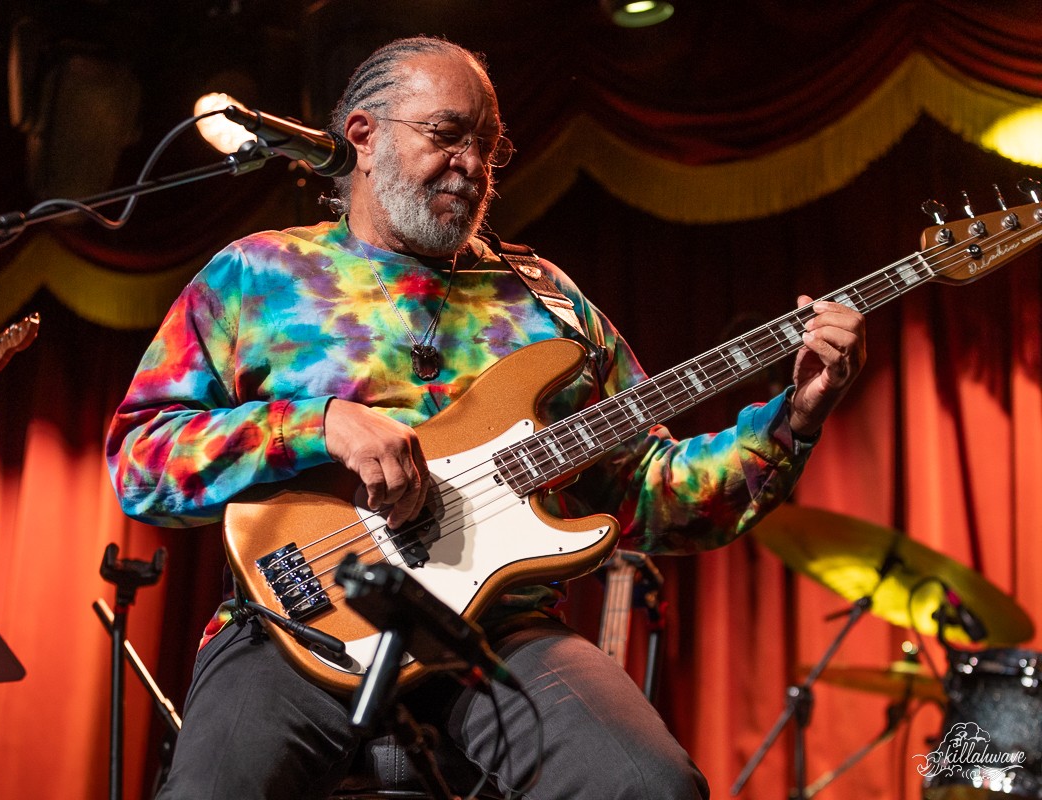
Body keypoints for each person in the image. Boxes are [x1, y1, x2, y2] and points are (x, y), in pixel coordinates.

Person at [106, 36, 866, 800]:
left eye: (488, 146)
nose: (472, 164)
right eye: (447, 134)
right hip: (296, 619)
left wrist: (794, 421)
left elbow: (647, 491)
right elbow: (141, 460)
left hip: (498, 634)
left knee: (650, 786)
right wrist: (319, 423)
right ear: (363, 137)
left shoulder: (546, 299)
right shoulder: (259, 274)